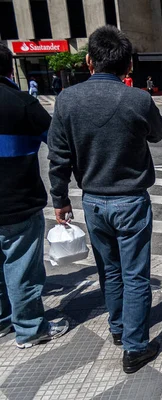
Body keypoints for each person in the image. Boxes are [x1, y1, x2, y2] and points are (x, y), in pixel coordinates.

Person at [47, 25, 162, 374]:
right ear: (128, 65)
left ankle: (118, 328)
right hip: (130, 201)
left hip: (93, 201)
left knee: (110, 271)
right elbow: (158, 133)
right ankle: (135, 347)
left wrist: (59, 199)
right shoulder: (138, 99)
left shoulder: (67, 99)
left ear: (89, 62)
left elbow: (58, 156)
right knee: (135, 275)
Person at [0, 44, 70, 349]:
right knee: (21, 267)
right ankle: (29, 329)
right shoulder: (21, 103)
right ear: (8, 69)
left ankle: (3, 321)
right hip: (17, 202)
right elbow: (57, 143)